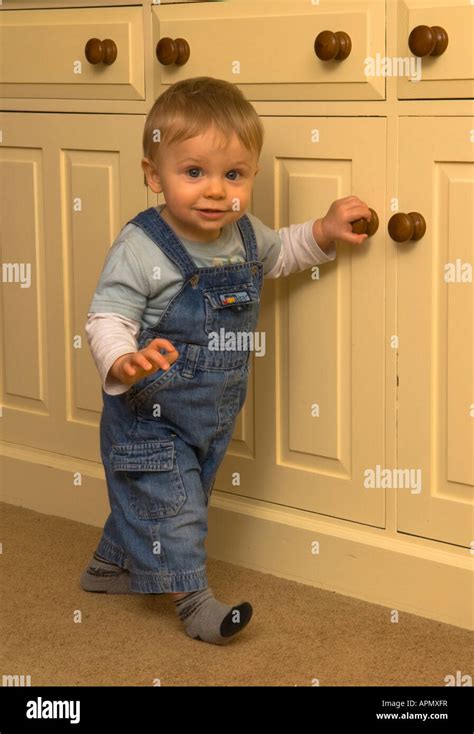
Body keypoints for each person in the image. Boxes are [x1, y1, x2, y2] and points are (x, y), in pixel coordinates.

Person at [80, 76, 371, 645]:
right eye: (194, 173)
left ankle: (109, 567)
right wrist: (123, 361)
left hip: (210, 416)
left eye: (233, 175)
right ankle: (196, 606)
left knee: (161, 496)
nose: (215, 191)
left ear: (251, 176)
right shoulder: (141, 246)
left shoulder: (242, 234)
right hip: (149, 416)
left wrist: (326, 231)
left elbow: (282, 253)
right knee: (175, 508)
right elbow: (106, 318)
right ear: (152, 175)